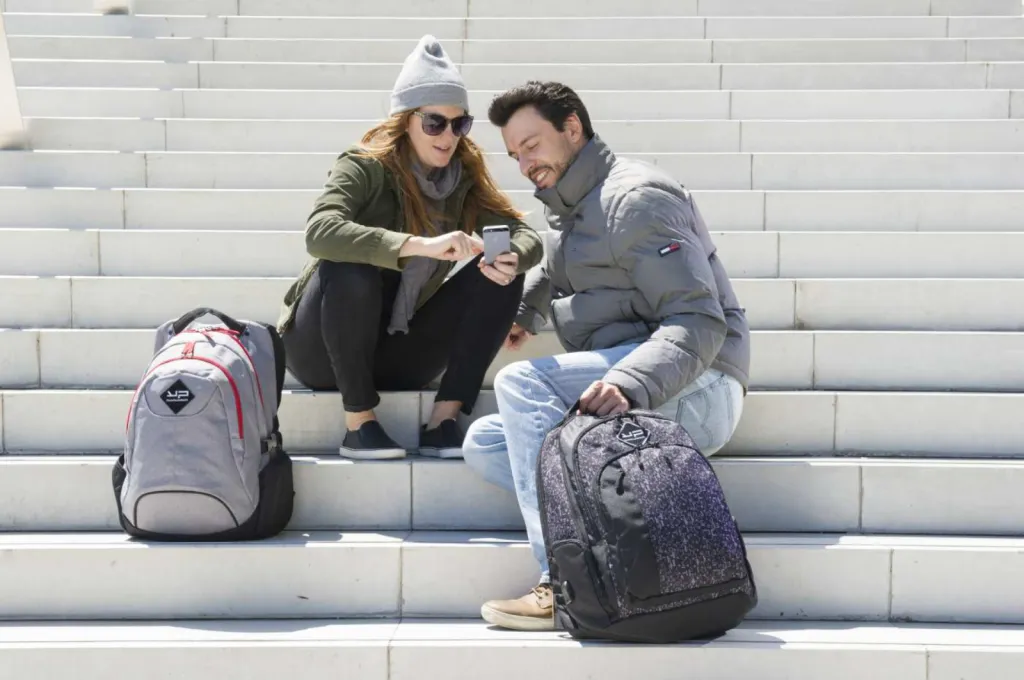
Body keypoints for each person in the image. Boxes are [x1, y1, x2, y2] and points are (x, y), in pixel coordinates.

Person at [462, 81, 751, 631]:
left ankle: (565, 582)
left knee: (521, 384)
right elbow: (566, 268)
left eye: (532, 145)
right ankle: (616, 523)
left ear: (572, 127)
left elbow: (698, 319)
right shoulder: (572, 205)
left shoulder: (636, 199)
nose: (524, 163)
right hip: (639, 373)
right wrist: (524, 314)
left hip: (699, 384)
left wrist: (630, 382)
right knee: (485, 443)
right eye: (515, 154)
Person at [276, 37, 543, 460]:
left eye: (459, 124)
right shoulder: (364, 165)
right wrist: (418, 246)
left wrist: (509, 256)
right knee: (349, 266)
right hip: (321, 351)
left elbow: (524, 235)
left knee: (501, 275)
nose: (448, 136)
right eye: (435, 123)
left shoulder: (461, 177)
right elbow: (321, 231)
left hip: (399, 352)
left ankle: (443, 421)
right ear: (406, 120)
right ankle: (359, 425)